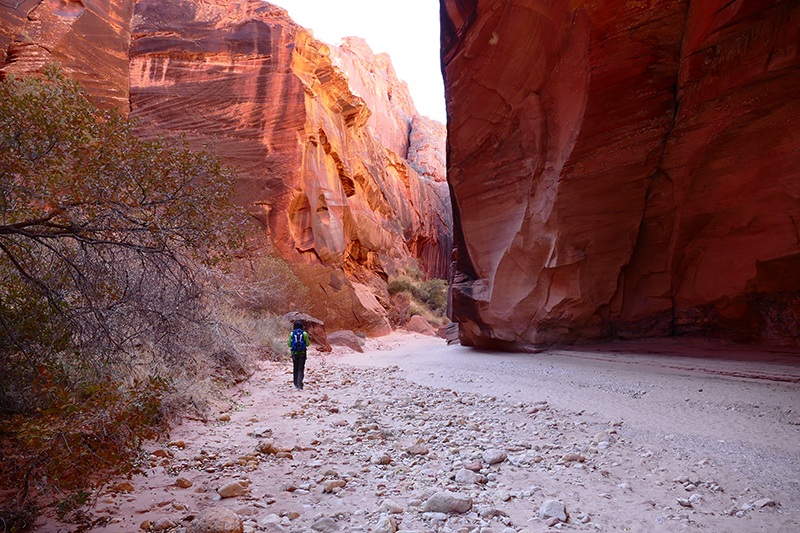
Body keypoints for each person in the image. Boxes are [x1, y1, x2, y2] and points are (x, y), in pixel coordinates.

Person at [287, 321, 310, 390]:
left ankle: (295, 383)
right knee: (301, 369)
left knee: (295, 368)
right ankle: (300, 384)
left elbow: (289, 344)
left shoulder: (292, 334)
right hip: (302, 353)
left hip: (294, 354)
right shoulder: (304, 334)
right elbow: (308, 344)